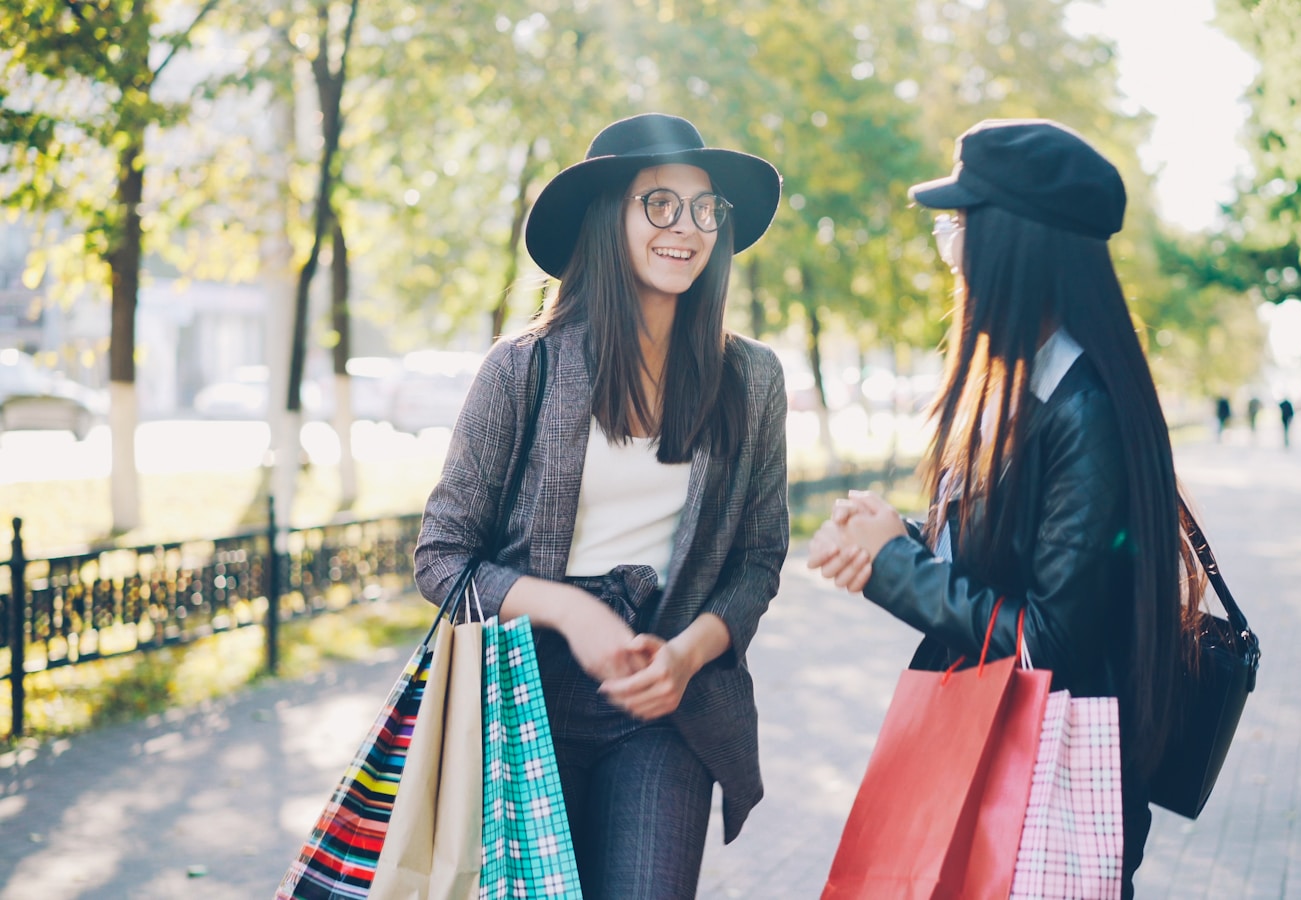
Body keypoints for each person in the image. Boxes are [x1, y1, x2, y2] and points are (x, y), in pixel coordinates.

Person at [806, 119, 1206, 898]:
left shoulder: (1084, 408)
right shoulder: (1024, 385)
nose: (950, 251)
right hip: (994, 750)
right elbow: (1012, 553)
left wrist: (896, 565)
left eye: (959, 227)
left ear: (1019, 244)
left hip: (1049, 765)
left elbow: (1051, 637)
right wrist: (894, 540)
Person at [413, 113, 787, 900]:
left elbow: (758, 559)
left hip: (668, 695)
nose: (687, 229)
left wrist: (688, 654)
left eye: (705, 208)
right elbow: (441, 558)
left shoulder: (751, 378)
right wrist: (570, 612)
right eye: (659, 204)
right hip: (524, 698)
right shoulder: (525, 368)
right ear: (607, 216)